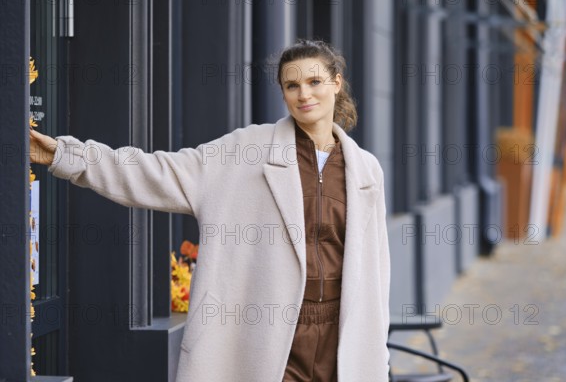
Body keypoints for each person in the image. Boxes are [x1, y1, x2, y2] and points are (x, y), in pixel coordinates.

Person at [30, 39, 391, 382]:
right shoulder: (246, 150)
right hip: (267, 337)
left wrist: (378, 352)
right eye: (292, 85)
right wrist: (67, 156)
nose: (304, 94)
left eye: (314, 82)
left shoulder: (366, 170)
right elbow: (155, 171)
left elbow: (377, 273)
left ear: (336, 83)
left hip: (342, 338)